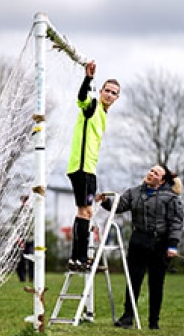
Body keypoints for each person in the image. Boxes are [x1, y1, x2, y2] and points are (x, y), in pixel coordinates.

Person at [97, 165, 184, 330]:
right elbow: (119, 206)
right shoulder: (134, 192)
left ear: (162, 180)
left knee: (156, 283)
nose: (151, 174)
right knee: (133, 281)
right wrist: (106, 202)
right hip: (138, 241)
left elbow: (176, 222)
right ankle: (127, 318)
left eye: (156, 173)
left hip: (160, 244)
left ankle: (153, 322)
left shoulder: (171, 198)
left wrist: (173, 245)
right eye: (151, 171)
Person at [66, 60, 121, 272]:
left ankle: (81, 258)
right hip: (80, 168)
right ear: (101, 91)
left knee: (88, 212)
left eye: (114, 92)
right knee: (84, 211)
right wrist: (87, 78)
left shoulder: (104, 114)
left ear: (117, 97)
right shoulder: (93, 106)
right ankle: (77, 259)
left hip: (90, 169)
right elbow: (81, 98)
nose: (109, 94)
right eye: (107, 90)